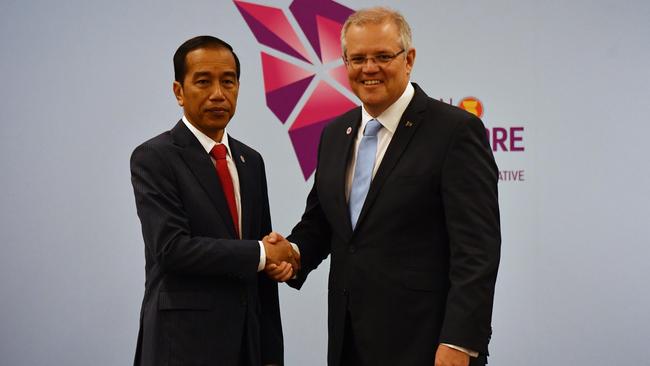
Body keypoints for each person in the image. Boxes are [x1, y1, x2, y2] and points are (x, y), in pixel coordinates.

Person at [269, 7, 501, 366]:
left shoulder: (455, 131)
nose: (369, 68)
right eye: (357, 58)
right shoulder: (334, 133)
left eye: (382, 56)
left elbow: (478, 249)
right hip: (349, 341)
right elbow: (323, 223)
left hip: (428, 345)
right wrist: (294, 254)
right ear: (344, 63)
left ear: (408, 60)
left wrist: (460, 341)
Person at [130, 35, 298, 366]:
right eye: (203, 82)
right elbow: (172, 249)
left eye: (228, 82)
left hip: (246, 347)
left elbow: (260, 270)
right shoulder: (154, 157)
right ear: (179, 91)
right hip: (180, 346)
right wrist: (263, 253)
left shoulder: (252, 161)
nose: (218, 94)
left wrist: (271, 354)